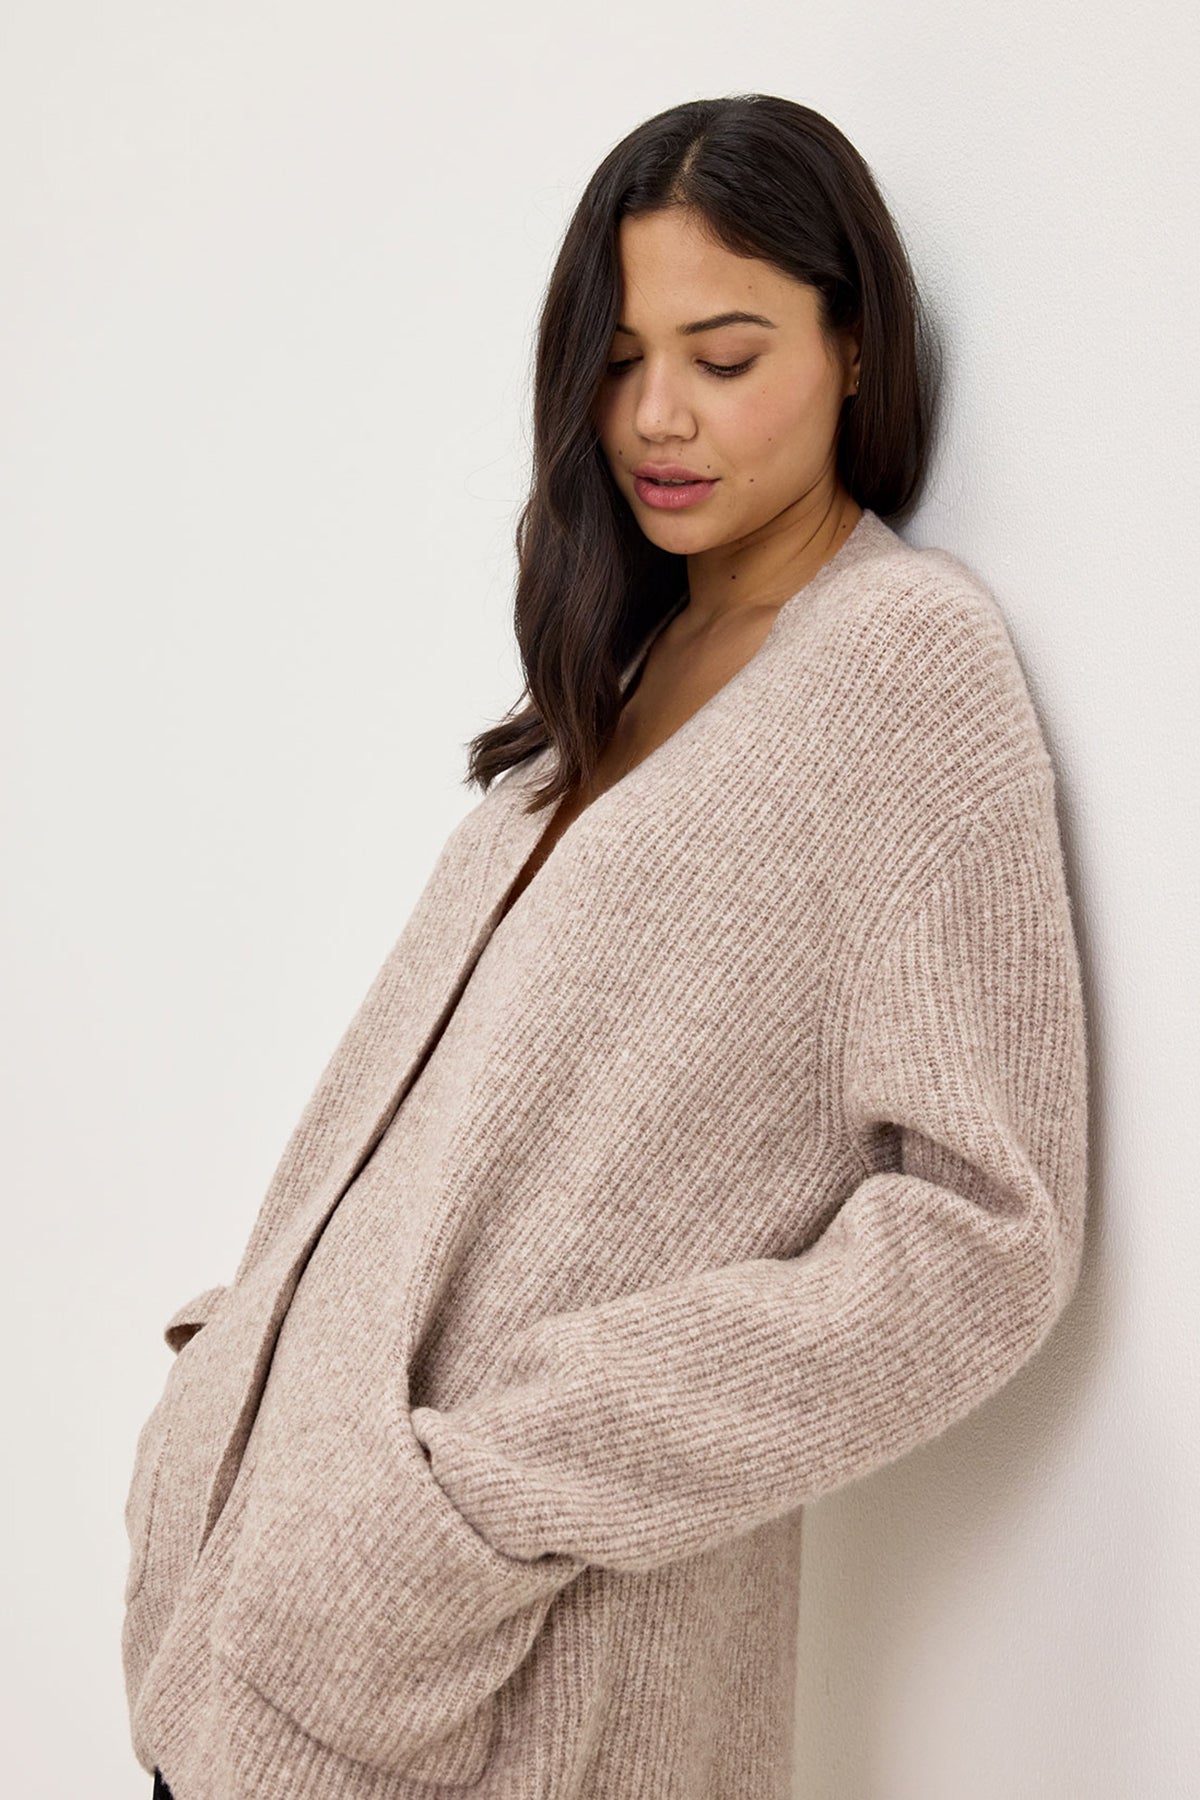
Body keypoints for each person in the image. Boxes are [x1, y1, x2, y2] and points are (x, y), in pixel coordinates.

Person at [121, 94, 1088, 1800]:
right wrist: (260, 1369)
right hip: (270, 1648)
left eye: (726, 355)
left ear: (856, 347)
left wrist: (482, 1491)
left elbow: (984, 1235)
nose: (657, 417)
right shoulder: (614, 678)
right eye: (622, 354)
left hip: (513, 1690)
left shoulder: (903, 666)